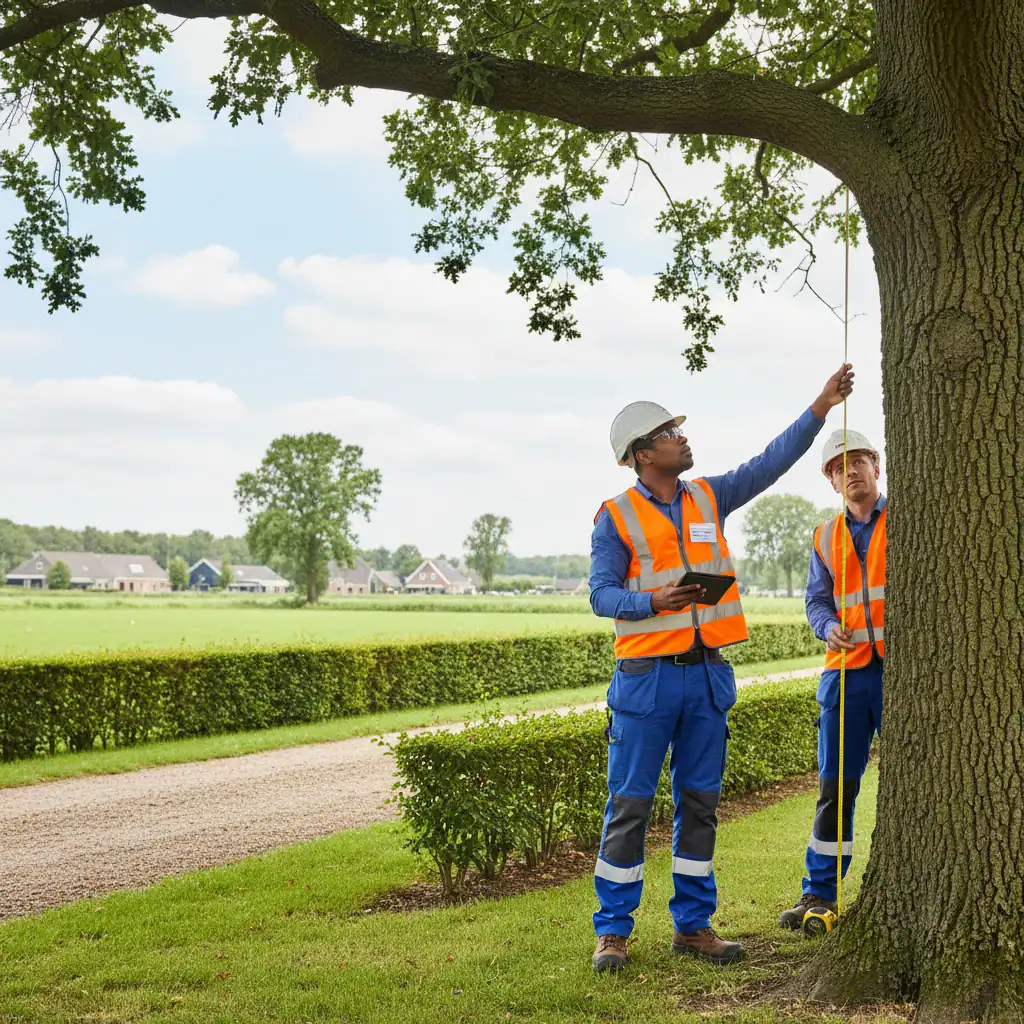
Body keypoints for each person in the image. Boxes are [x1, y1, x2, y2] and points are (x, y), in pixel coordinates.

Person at [589, 364, 855, 974]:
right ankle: (612, 932)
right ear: (641, 453)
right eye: (670, 433)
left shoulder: (710, 494)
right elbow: (602, 595)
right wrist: (653, 602)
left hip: (707, 677)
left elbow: (771, 461)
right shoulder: (616, 515)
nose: (683, 438)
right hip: (646, 681)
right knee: (629, 806)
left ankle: (693, 925)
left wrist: (819, 404)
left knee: (701, 804)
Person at [777, 429, 885, 931]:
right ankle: (820, 893)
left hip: (903, 677)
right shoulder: (824, 536)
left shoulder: (910, 520)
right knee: (835, 787)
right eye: (840, 467)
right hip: (845, 676)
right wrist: (826, 626)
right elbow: (816, 600)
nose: (852, 471)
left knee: (913, 784)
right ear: (832, 481)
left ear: (877, 467)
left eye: (860, 460)